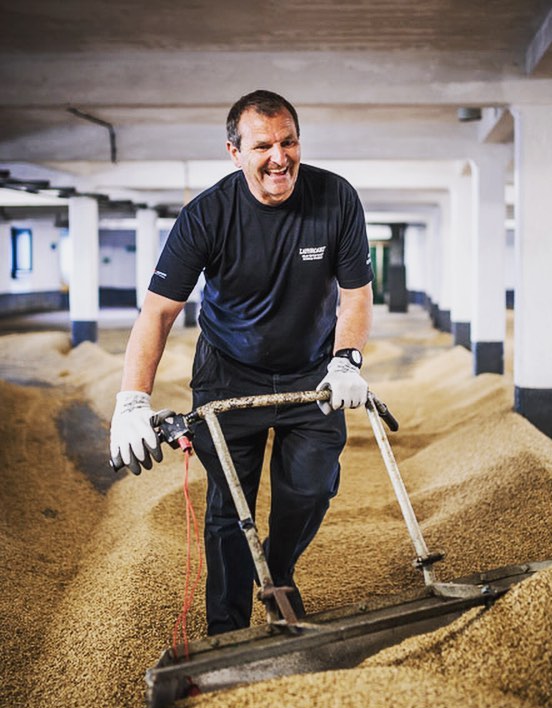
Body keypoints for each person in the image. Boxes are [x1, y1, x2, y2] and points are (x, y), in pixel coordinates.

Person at [110, 89, 373, 634]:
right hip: (229, 374)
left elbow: (356, 295)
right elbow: (157, 313)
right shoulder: (206, 215)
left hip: (312, 371)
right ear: (234, 152)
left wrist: (346, 360)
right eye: (262, 146)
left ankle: (276, 568)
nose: (279, 157)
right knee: (230, 510)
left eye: (289, 141)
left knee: (313, 486)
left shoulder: (336, 199)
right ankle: (225, 630)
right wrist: (132, 401)